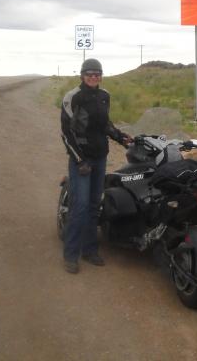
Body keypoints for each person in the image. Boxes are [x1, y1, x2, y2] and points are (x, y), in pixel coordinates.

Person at [60, 58, 131, 274]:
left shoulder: (104, 96)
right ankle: (71, 254)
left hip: (100, 157)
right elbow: (66, 133)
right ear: (82, 75)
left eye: (97, 74)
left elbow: (104, 124)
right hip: (81, 160)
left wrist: (121, 138)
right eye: (89, 74)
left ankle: (90, 250)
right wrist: (79, 160)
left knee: (93, 206)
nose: (93, 77)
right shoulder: (73, 97)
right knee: (79, 207)